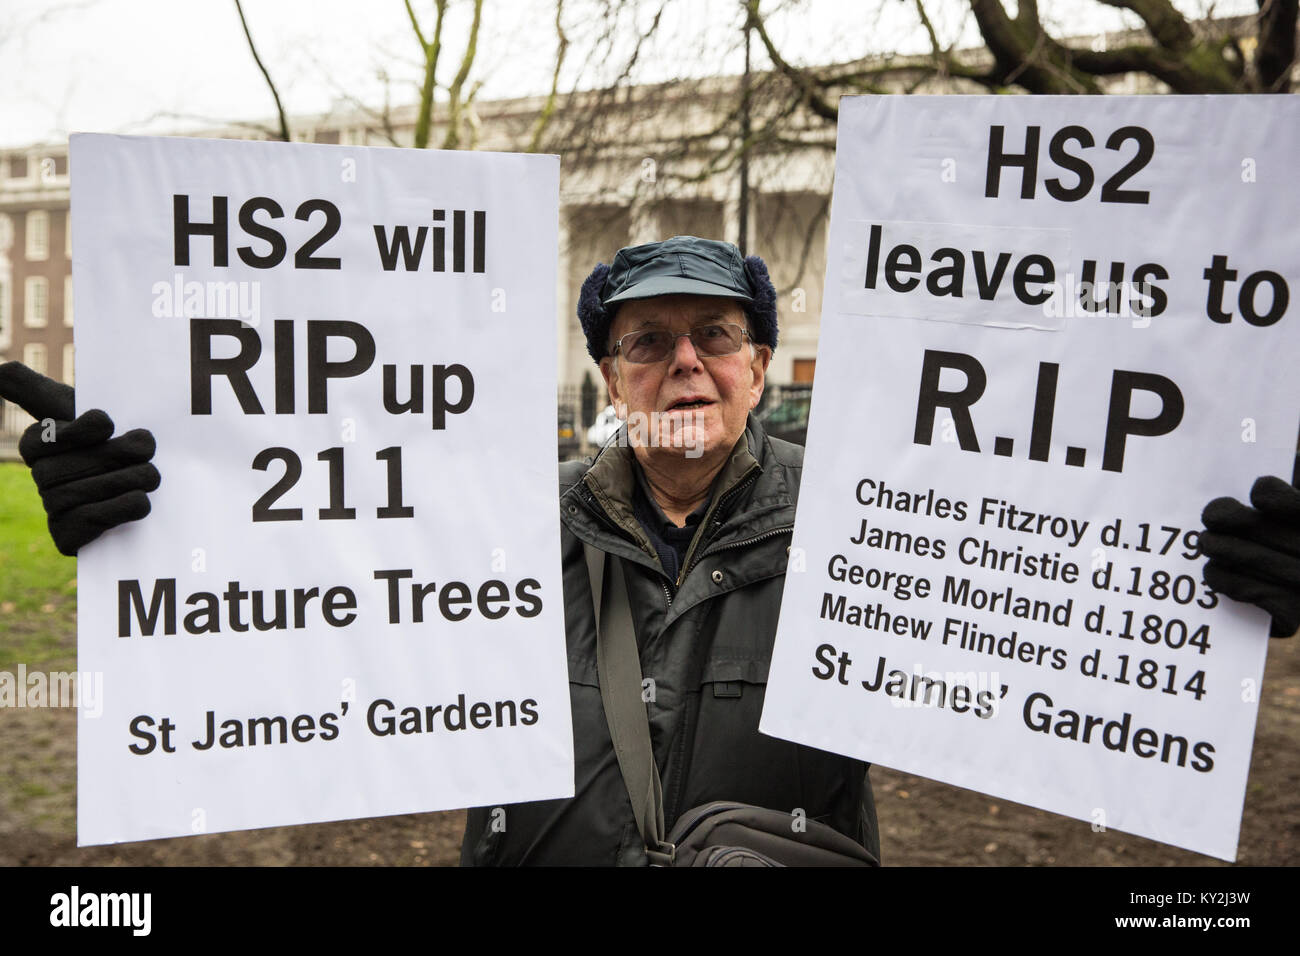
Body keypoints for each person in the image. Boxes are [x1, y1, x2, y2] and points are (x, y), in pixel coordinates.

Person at [1, 235, 1297, 866]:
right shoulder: (492, 518)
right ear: (610, 374)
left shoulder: (885, 529)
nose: (683, 360)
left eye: (713, 335)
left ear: (757, 367)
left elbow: (1068, 619)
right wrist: (140, 525)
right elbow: (292, 603)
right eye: (646, 338)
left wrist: (1219, 593)